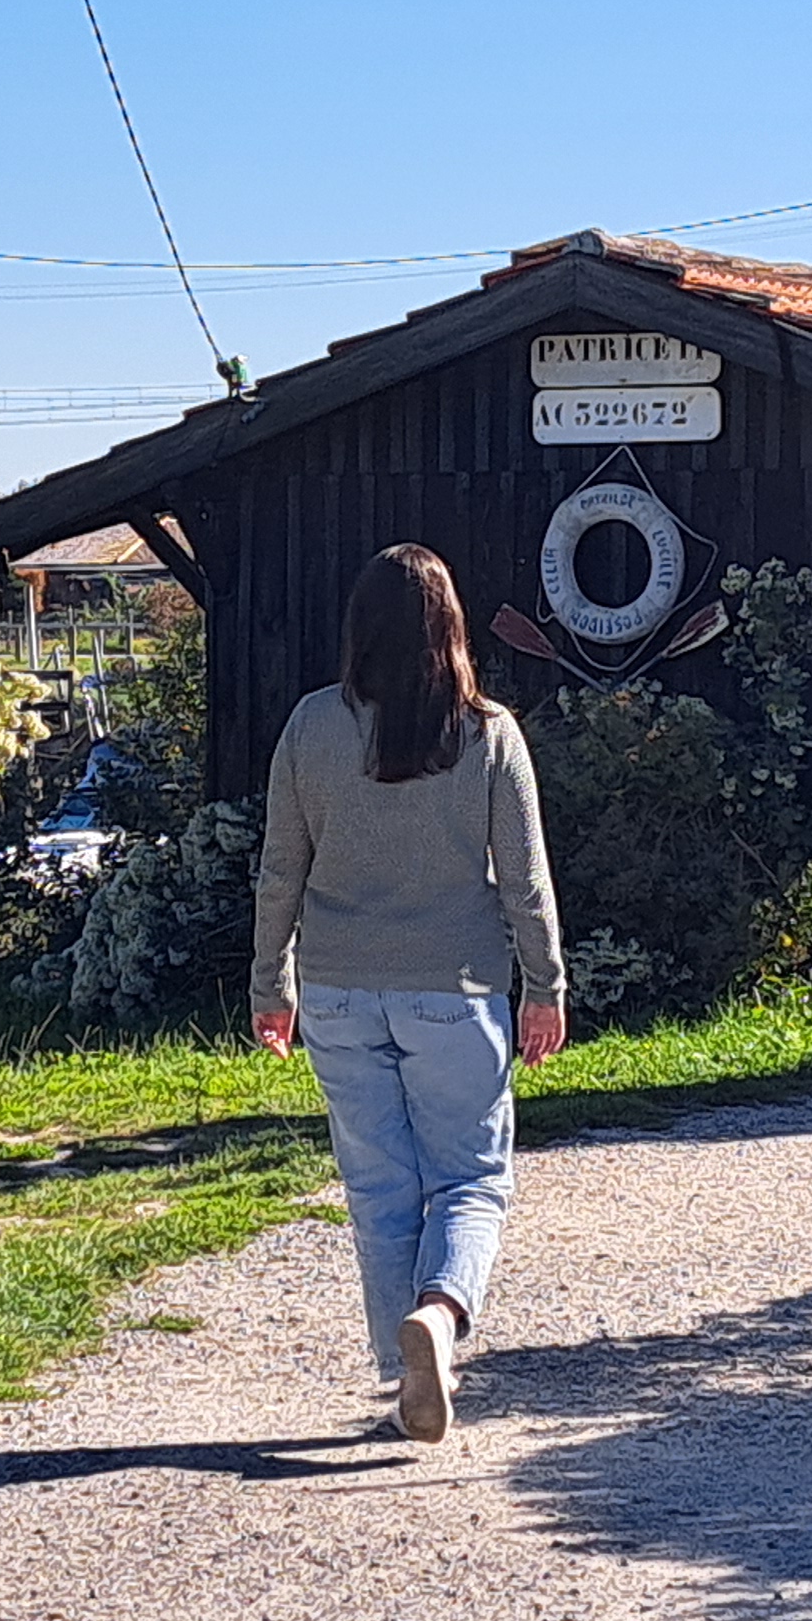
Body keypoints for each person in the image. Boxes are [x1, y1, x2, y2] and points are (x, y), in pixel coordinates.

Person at [248, 543, 567, 1446]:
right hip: (455, 993)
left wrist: (273, 983)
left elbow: (280, 869)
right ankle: (440, 1315)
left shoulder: (311, 726)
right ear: (452, 627)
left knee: (380, 1188)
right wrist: (545, 986)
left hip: (341, 992)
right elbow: (526, 881)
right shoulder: (487, 732)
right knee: (471, 1179)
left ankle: (403, 1376)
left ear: (360, 627)